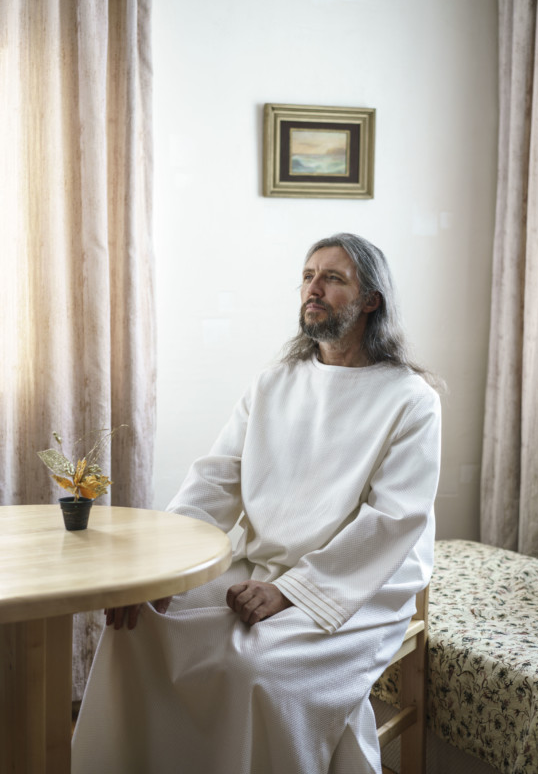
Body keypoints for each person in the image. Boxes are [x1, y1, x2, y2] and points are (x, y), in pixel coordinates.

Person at [72, 233, 441, 774]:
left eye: (333, 279)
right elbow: (214, 480)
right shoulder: (273, 384)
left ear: (371, 301)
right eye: (308, 276)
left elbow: (393, 522)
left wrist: (290, 590)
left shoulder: (411, 400)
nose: (313, 289)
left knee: (256, 670)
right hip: (259, 563)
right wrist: (159, 572)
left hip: (354, 586)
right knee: (137, 624)